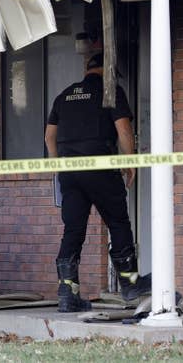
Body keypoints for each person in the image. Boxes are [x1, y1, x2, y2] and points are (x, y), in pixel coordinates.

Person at [44, 53, 151, 312]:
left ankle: (67, 293)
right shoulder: (110, 91)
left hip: (69, 172)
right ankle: (130, 285)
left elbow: (49, 136)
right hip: (101, 168)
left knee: (73, 230)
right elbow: (124, 130)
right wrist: (129, 162)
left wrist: (59, 167)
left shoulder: (64, 95)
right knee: (118, 221)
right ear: (109, 71)